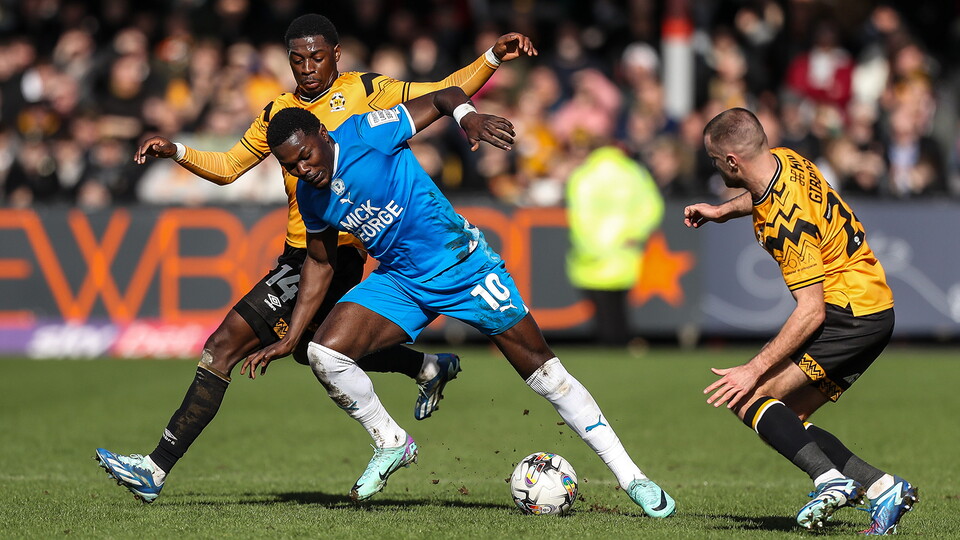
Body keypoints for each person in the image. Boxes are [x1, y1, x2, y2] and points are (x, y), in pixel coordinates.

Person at [94, 13, 538, 504]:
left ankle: (154, 469)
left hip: (330, 254)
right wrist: (177, 149)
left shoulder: (366, 90)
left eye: (316, 57)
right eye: (297, 59)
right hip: (299, 251)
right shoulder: (277, 114)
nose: (307, 67)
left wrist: (493, 57)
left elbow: (445, 89)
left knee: (224, 345)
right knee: (315, 349)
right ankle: (426, 368)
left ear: (336, 55)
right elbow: (227, 169)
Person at [240, 88, 677, 516]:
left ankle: (632, 478)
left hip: (465, 266)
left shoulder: (368, 133)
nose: (303, 168)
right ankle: (391, 441)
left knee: (548, 375)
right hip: (402, 281)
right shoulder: (310, 196)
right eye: (290, 164)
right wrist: (291, 337)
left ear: (321, 132)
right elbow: (318, 263)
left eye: (305, 155)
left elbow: (443, 96)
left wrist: (468, 117)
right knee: (324, 354)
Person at [683, 107, 917, 534]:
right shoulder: (787, 158)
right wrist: (722, 212)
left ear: (732, 161)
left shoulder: (783, 221)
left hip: (849, 312)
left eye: (716, 161)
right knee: (785, 416)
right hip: (873, 304)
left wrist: (751, 370)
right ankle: (885, 488)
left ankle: (830, 482)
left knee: (749, 396)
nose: (715, 168)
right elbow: (758, 194)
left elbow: (812, 311)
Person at [565, 141, 663, 346]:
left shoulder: (583, 174)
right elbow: (652, 207)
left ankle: (607, 342)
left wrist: (589, 245)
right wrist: (635, 233)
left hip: (590, 255)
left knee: (601, 312)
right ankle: (621, 342)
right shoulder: (634, 172)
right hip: (623, 252)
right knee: (619, 308)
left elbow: (577, 216)